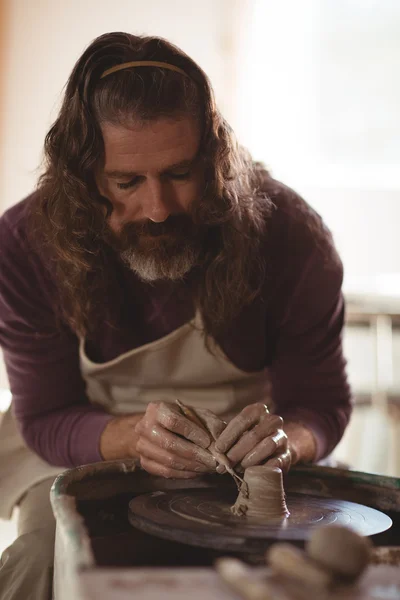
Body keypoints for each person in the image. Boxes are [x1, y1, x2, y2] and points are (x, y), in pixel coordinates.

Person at [0, 31, 352, 600]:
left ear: (213, 156)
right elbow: (44, 420)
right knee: (45, 554)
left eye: (180, 174)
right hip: (90, 446)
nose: (158, 209)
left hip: (250, 463)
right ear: (82, 174)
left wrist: (291, 439)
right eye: (126, 182)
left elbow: (323, 404)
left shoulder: (288, 232)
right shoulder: (24, 243)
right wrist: (134, 437)